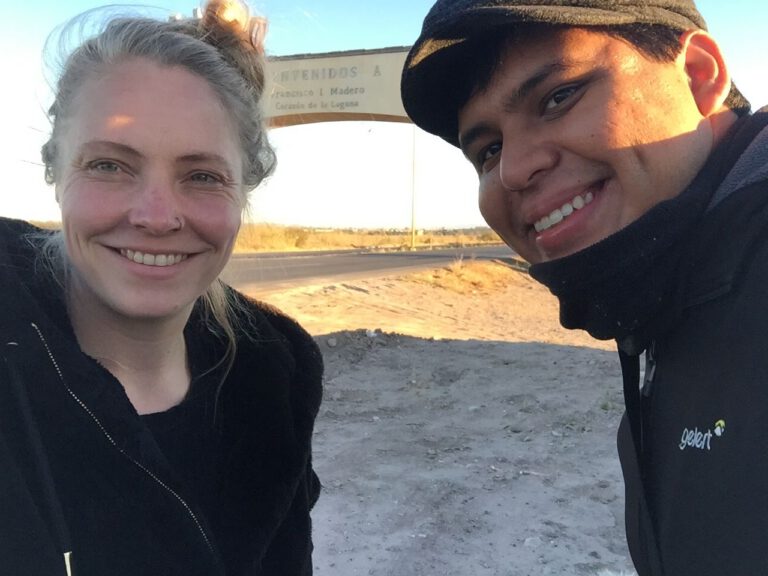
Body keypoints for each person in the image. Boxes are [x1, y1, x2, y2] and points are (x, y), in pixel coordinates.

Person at [401, 1, 768, 575]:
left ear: (699, 76)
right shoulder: (667, 285)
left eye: (559, 97)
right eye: (488, 150)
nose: (514, 170)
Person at [0, 1, 323, 574]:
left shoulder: (276, 382)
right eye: (109, 166)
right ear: (56, 172)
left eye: (201, 176)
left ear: (243, 192)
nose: (156, 216)